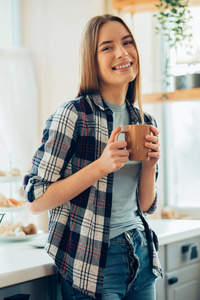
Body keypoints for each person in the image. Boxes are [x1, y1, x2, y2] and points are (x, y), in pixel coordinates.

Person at [24, 14, 162, 300]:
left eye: (127, 43)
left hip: (140, 251)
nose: (122, 53)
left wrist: (149, 167)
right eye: (107, 47)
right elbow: (35, 199)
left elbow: (146, 206)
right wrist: (101, 166)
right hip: (92, 261)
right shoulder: (73, 115)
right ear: (92, 59)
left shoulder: (144, 120)